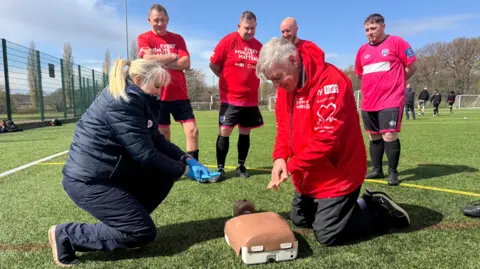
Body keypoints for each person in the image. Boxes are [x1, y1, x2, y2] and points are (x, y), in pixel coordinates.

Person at [47, 58, 218, 266]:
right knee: (142, 232)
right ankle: (66, 235)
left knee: (163, 175)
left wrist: (187, 158)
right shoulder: (123, 102)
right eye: (157, 86)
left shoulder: (138, 99)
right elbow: (145, 154)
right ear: (138, 80)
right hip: (89, 181)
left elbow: (157, 140)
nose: (159, 93)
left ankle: (125, 220)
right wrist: (184, 170)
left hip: (111, 174)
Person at [256, 37, 410, 246]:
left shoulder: (330, 82)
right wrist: (279, 158)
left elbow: (327, 141)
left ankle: (376, 209)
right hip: (310, 172)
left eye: (277, 77)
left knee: (327, 235)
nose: (276, 85)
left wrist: (291, 166)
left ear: (293, 60)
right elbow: (283, 129)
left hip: (339, 173)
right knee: (300, 219)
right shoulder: (286, 89)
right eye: (271, 80)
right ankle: (343, 208)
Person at [355, 13, 417, 186]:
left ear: (383, 26)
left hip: (391, 99)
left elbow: (411, 66)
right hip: (368, 101)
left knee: (389, 135)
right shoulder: (362, 50)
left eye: (373, 28)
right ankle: (377, 169)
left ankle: (392, 172)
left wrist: (397, 82)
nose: (370, 32)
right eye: (367, 29)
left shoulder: (397, 43)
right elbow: (360, 74)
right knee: (374, 136)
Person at [137, 4, 200, 161]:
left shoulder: (177, 39)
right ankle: (170, 167)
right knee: (163, 135)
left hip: (179, 94)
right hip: (157, 95)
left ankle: (195, 166)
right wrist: (172, 57)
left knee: (192, 131)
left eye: (163, 20)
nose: (159, 23)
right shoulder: (144, 38)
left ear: (168, 20)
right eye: (156, 20)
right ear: (149, 20)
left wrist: (158, 60)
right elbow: (146, 60)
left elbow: (186, 64)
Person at [208, 11, 264, 182]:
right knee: (225, 131)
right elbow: (213, 64)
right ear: (239, 26)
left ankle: (241, 165)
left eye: (253, 28)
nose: (250, 31)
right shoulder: (228, 41)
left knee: (245, 132)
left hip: (250, 100)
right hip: (230, 98)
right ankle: (221, 167)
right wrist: (226, 80)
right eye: (247, 28)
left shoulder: (259, 47)